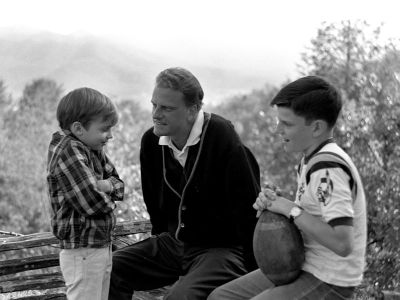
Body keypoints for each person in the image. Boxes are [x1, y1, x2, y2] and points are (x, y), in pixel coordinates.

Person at [208, 76, 367, 300]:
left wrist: (290, 209)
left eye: (287, 124)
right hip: (304, 267)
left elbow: (342, 243)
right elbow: (315, 214)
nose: (277, 129)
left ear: (317, 127)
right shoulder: (309, 160)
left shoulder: (327, 168)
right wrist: (275, 204)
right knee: (221, 297)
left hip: (329, 280)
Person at [109, 67, 260, 300]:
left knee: (179, 297)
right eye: (154, 105)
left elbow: (248, 207)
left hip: (220, 249)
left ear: (192, 111)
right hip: (175, 244)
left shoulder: (221, 136)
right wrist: (159, 246)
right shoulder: (151, 142)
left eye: (167, 108)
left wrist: (253, 274)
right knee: (111, 268)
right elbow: (154, 205)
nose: (156, 114)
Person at [46, 87, 124, 300]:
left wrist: (105, 186)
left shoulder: (91, 147)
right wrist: (108, 199)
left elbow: (119, 185)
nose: (110, 136)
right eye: (105, 129)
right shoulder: (68, 150)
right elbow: (92, 203)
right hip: (82, 250)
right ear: (79, 128)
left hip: (98, 245)